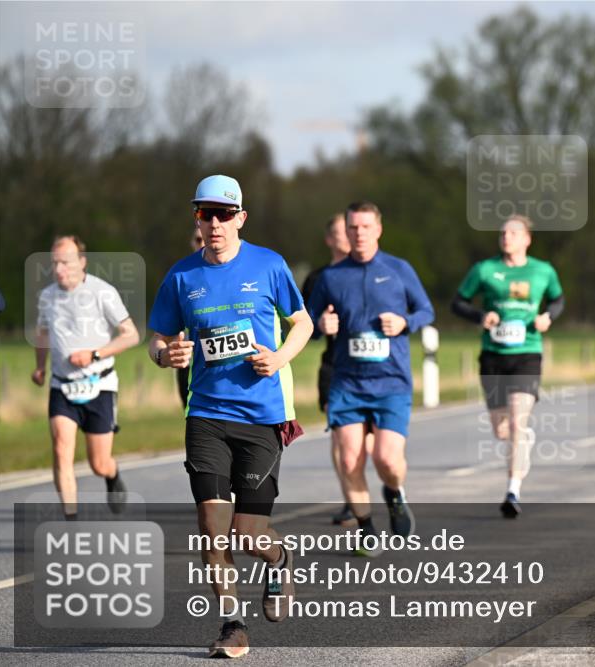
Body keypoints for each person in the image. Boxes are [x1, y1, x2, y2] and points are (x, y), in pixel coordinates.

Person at [148, 175, 313, 658]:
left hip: (263, 417)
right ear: (196, 219)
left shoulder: (269, 265)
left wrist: (280, 358)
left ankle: (279, 559)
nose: (214, 223)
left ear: (241, 218)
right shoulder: (181, 277)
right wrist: (165, 356)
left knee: (248, 533)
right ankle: (231, 624)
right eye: (205, 214)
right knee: (212, 528)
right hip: (206, 414)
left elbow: (300, 321)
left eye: (224, 214)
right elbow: (157, 337)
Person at [307, 201, 434, 553]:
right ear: (345, 232)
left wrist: (406, 322)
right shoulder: (331, 277)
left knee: (387, 460)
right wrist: (321, 325)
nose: (359, 233)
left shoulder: (398, 269)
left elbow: (426, 309)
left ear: (378, 229)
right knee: (349, 459)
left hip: (391, 382)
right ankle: (365, 528)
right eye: (353, 227)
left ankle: (394, 493)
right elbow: (307, 323)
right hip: (347, 382)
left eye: (365, 227)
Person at [451, 214, 564, 517]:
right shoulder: (485, 270)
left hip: (527, 353)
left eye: (513, 233)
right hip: (493, 355)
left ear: (527, 238)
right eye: (503, 233)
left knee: (516, 421)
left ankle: (512, 491)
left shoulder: (543, 271)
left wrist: (547, 317)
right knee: (502, 431)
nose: (506, 237)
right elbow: (458, 302)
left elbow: (558, 299)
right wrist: (480, 317)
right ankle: (522, 438)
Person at [32, 235, 139, 519]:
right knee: (60, 449)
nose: (58, 270)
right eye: (54, 263)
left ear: (82, 262)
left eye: (65, 262)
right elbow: (42, 333)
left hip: (99, 384)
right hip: (61, 386)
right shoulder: (47, 297)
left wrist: (94, 354)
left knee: (98, 463)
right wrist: (40, 366)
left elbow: (131, 335)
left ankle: (112, 474)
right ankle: (71, 520)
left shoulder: (102, 292)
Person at [300, 212, 362, 526]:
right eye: (339, 232)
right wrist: (319, 326)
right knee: (340, 438)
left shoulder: (369, 272)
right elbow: (300, 326)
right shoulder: (317, 279)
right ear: (329, 239)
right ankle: (351, 500)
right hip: (334, 366)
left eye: (350, 231)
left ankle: (390, 489)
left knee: (370, 444)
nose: (346, 236)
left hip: (370, 368)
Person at [177, 227, 206, 409]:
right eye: (198, 240)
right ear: (192, 243)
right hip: (189, 363)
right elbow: (164, 330)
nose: (203, 243)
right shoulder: (182, 277)